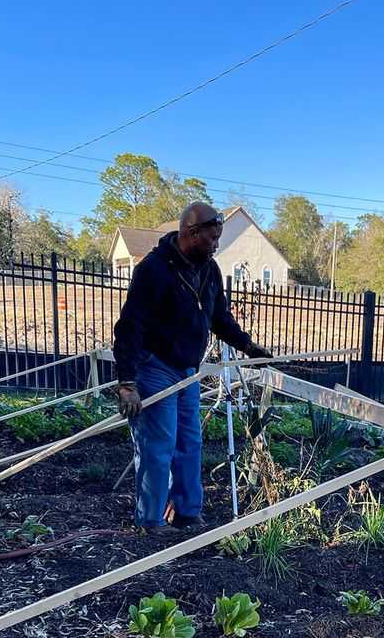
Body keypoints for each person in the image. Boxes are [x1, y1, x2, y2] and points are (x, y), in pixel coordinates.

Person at [113, 202, 270, 533]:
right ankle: (151, 521)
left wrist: (248, 346)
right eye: (212, 239)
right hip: (155, 368)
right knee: (158, 445)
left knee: (190, 444)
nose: (216, 246)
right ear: (191, 232)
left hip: (188, 371)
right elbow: (130, 327)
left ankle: (186, 512)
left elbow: (219, 319)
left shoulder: (209, 271)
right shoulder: (153, 270)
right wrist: (127, 383)